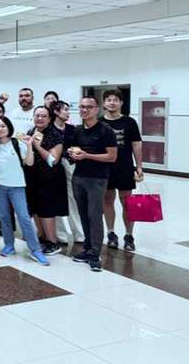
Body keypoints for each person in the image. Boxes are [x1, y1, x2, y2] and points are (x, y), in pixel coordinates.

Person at [0, 117, 48, 265]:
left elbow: (29, 162)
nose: (0, 129)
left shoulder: (17, 143)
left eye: (3, 126)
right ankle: (9, 244)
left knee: (24, 217)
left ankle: (35, 250)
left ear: (9, 127)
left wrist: (29, 146)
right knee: (4, 217)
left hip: (17, 186)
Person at [70, 96, 118, 272]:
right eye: (82, 107)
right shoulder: (78, 130)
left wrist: (88, 156)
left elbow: (112, 156)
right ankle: (87, 248)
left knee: (94, 215)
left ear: (97, 109)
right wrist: (72, 153)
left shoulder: (105, 130)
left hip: (97, 178)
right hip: (79, 176)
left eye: (88, 107)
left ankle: (95, 254)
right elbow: (73, 149)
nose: (84, 110)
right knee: (83, 214)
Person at [100, 89, 143, 252]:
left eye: (115, 100)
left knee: (127, 201)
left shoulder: (129, 122)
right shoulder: (99, 123)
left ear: (121, 103)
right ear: (104, 103)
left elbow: (136, 145)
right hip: (106, 167)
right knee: (107, 199)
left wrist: (139, 166)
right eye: (109, 100)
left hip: (125, 167)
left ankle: (129, 235)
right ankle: (111, 233)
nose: (112, 102)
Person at [25, 106, 68, 256]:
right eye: (37, 115)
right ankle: (43, 238)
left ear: (49, 118)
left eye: (43, 116)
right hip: (33, 176)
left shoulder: (54, 134)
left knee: (46, 211)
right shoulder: (31, 131)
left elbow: (53, 160)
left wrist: (37, 146)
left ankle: (53, 242)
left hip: (50, 177)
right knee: (35, 209)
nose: (40, 119)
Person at [51, 101, 85, 245]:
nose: (68, 112)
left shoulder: (72, 129)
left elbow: (78, 145)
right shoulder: (49, 128)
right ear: (56, 111)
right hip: (53, 166)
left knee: (73, 197)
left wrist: (74, 151)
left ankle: (78, 233)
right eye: (65, 109)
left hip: (70, 165)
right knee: (55, 198)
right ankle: (60, 234)